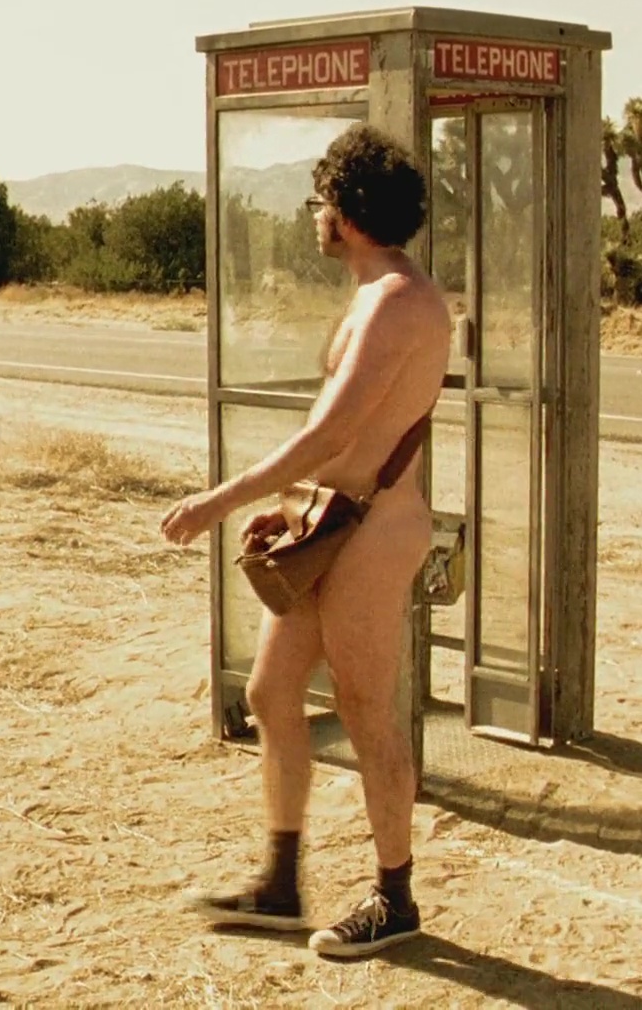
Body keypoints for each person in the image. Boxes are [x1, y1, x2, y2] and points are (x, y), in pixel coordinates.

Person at [159, 123, 451, 958]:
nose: (314, 214)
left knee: (365, 711)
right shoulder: (378, 295)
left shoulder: (396, 302)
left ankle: (394, 898)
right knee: (270, 692)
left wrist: (219, 501)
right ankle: (281, 884)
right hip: (335, 521)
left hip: (374, 531)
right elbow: (343, 444)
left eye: (322, 200)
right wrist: (290, 510)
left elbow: (332, 434)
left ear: (348, 213)